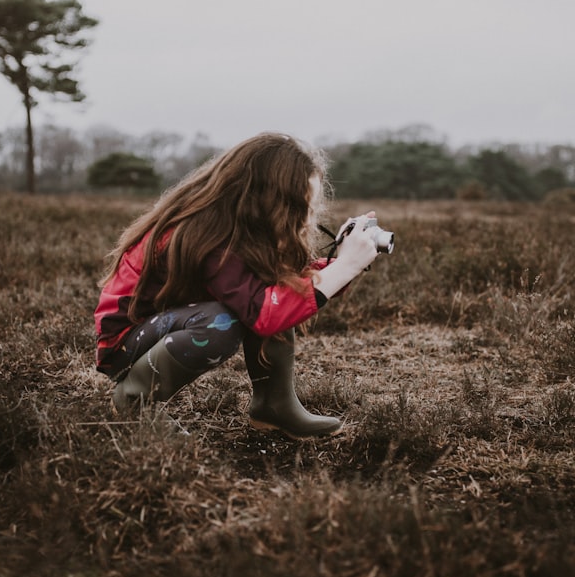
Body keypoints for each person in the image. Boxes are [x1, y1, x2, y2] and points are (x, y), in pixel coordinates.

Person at [93, 133, 380, 438]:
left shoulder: (238, 230)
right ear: (268, 201)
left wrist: (343, 266)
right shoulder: (208, 237)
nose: (308, 219)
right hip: (126, 345)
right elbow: (266, 314)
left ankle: (274, 406)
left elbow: (273, 292)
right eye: (303, 208)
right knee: (224, 321)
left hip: (167, 323)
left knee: (280, 287)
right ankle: (135, 402)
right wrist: (345, 266)